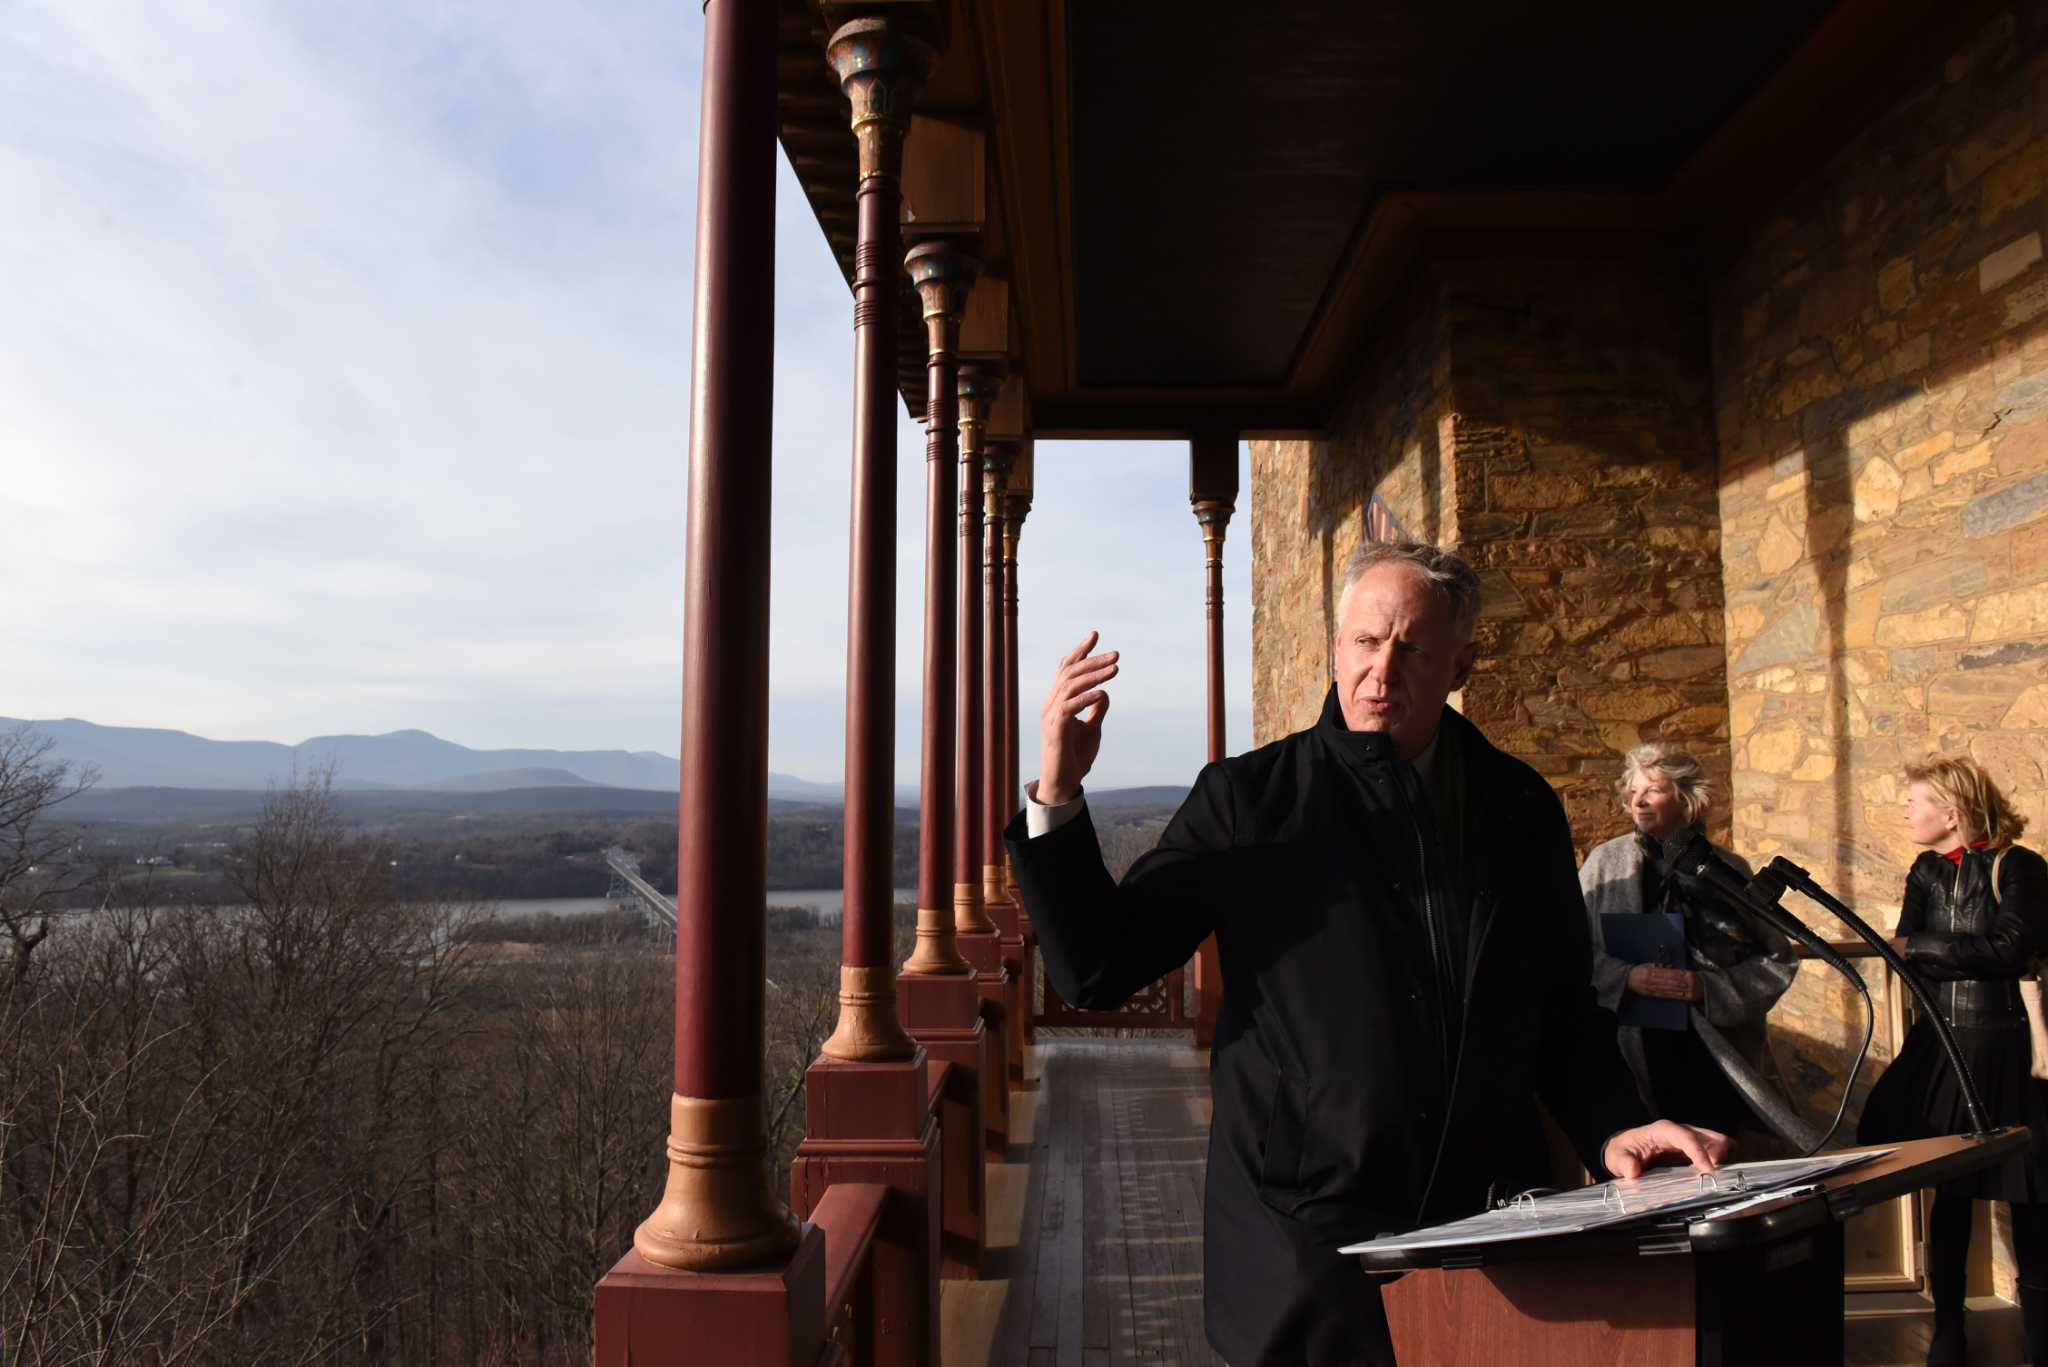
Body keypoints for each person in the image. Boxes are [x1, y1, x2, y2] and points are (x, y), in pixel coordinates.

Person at [1006, 540, 1731, 1367]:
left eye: (1412, 646)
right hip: (1306, 1250)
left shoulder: (1520, 809)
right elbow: (1097, 967)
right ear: (1334, 646)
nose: (1381, 668)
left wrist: (1616, 1128)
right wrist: (1058, 793)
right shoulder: (1250, 802)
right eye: (1364, 640)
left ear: (1462, 660)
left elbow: (1562, 1009)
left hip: (1489, 1230)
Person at [1859, 756, 2048, 1367]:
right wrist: (1944, 951)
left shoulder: (2020, 867)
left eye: (1916, 802)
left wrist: (1930, 947)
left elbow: (2010, 948)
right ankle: (1948, 1327)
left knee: (2029, 1192)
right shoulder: (1926, 870)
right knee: (1952, 1187)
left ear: (1954, 810)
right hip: (1944, 1045)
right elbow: (1902, 952)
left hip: (2009, 1046)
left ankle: (2040, 1330)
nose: (1906, 811)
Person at [1581, 744, 1803, 1144]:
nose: (1639, 801)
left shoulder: (1726, 871)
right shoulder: (1604, 865)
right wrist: (1626, 978)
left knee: (1717, 1168)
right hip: (1630, 1052)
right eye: (1633, 792)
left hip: (1713, 1058)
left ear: (1686, 798)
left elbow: (1776, 960)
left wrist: (1709, 989)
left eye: (1653, 789)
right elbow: (1570, 950)